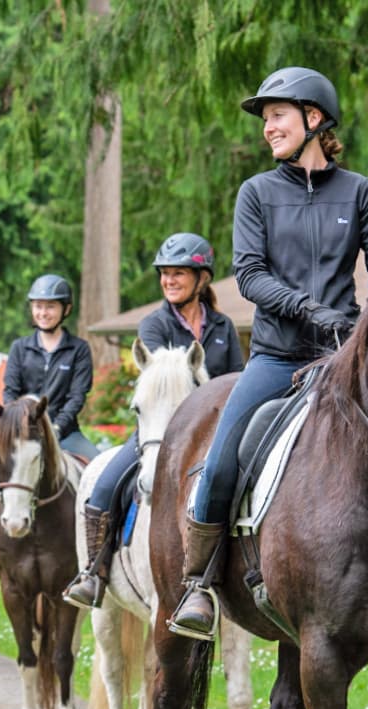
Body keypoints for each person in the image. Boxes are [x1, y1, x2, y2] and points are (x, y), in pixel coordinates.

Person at [169, 66, 368, 639]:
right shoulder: (256, 194)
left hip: (345, 358)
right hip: (277, 358)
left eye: (277, 115)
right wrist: (309, 309)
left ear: (314, 118)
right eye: (266, 119)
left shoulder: (360, 192)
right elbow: (250, 275)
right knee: (221, 459)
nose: (268, 127)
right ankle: (199, 584)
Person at [63, 232, 244, 609]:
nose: (169, 280)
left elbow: (236, 381)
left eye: (178, 273)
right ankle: (93, 572)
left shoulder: (223, 327)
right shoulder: (153, 325)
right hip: (159, 434)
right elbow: (160, 382)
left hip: (213, 436)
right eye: (164, 273)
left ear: (202, 279)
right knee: (105, 485)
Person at [0, 273, 99, 586]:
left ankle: (99, 560)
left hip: (65, 434)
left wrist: (55, 429)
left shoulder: (78, 350)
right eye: (38, 306)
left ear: (66, 309)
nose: (44, 312)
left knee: (101, 480)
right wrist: (14, 426)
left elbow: (77, 396)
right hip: (21, 438)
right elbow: (10, 392)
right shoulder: (20, 348)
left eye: (51, 306)